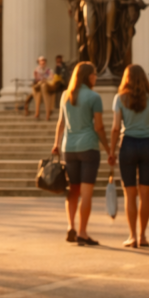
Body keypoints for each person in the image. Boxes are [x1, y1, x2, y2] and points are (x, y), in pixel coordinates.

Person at [51, 61, 109, 246]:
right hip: (89, 148)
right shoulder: (94, 97)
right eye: (94, 74)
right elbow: (99, 127)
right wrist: (108, 148)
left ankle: (71, 226)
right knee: (86, 193)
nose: (96, 77)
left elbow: (60, 122)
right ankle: (83, 232)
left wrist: (56, 144)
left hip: (69, 148)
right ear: (87, 76)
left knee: (73, 190)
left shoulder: (65, 95)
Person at [110, 64, 149, 248]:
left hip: (127, 145)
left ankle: (132, 236)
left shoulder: (120, 98)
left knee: (130, 194)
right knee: (145, 195)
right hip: (148, 146)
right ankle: (143, 236)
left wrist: (111, 151)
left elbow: (116, 127)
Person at [24, 56, 56, 120]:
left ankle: (47, 114)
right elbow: (34, 79)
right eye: (41, 61)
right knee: (36, 97)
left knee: (46, 94)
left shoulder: (48, 70)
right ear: (39, 62)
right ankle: (37, 113)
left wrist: (46, 79)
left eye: (44, 61)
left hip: (46, 88)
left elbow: (52, 78)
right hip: (38, 88)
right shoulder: (36, 70)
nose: (43, 62)